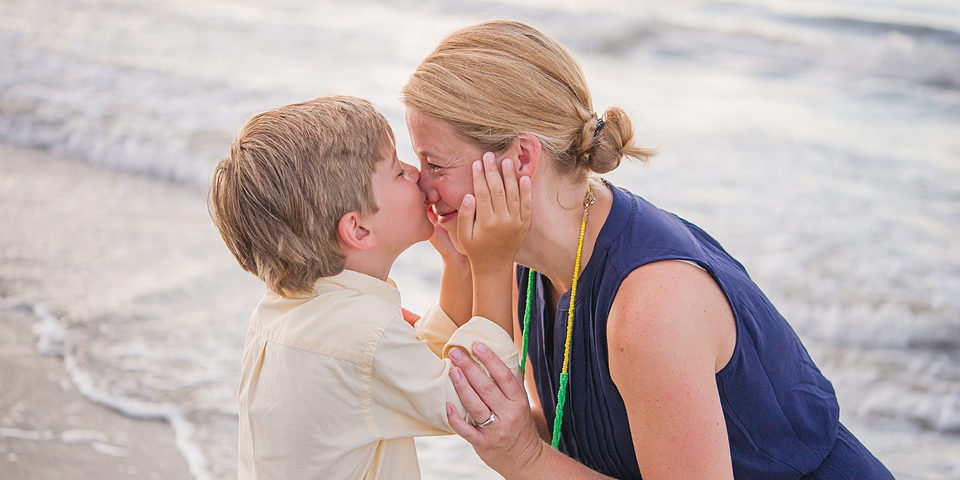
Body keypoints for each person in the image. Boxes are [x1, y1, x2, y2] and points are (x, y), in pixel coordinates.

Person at [402, 20, 894, 479]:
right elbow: (570, 430)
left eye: (435, 164)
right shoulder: (524, 264)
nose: (420, 185)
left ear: (523, 158)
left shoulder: (650, 309)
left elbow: (537, 451)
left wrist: (524, 458)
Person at [207, 95, 531, 479]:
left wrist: (458, 264)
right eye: (397, 172)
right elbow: (478, 400)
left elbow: (406, 370)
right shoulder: (361, 332)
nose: (416, 173)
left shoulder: (287, 311)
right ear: (358, 229)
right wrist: (492, 264)